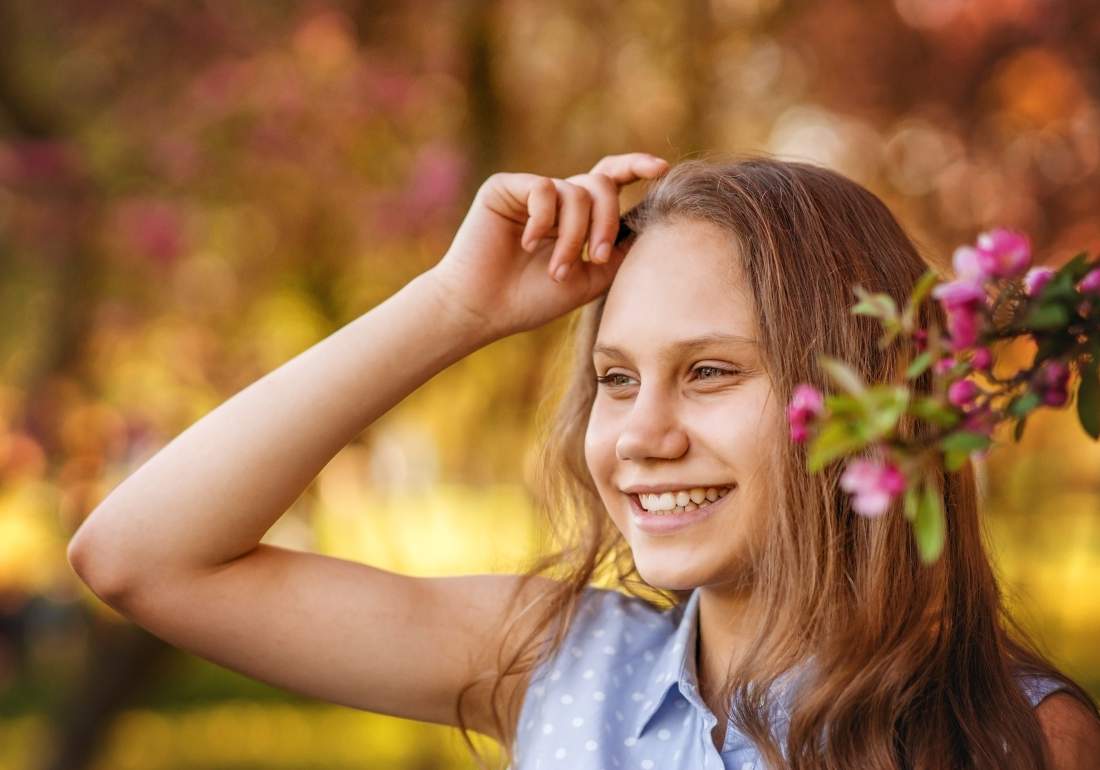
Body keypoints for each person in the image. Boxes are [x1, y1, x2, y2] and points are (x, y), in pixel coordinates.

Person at [67, 152, 1100, 769]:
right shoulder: (559, 664)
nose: (641, 435)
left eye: (707, 372)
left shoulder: (1015, 736)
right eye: (615, 378)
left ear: (864, 395)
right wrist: (454, 307)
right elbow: (139, 557)